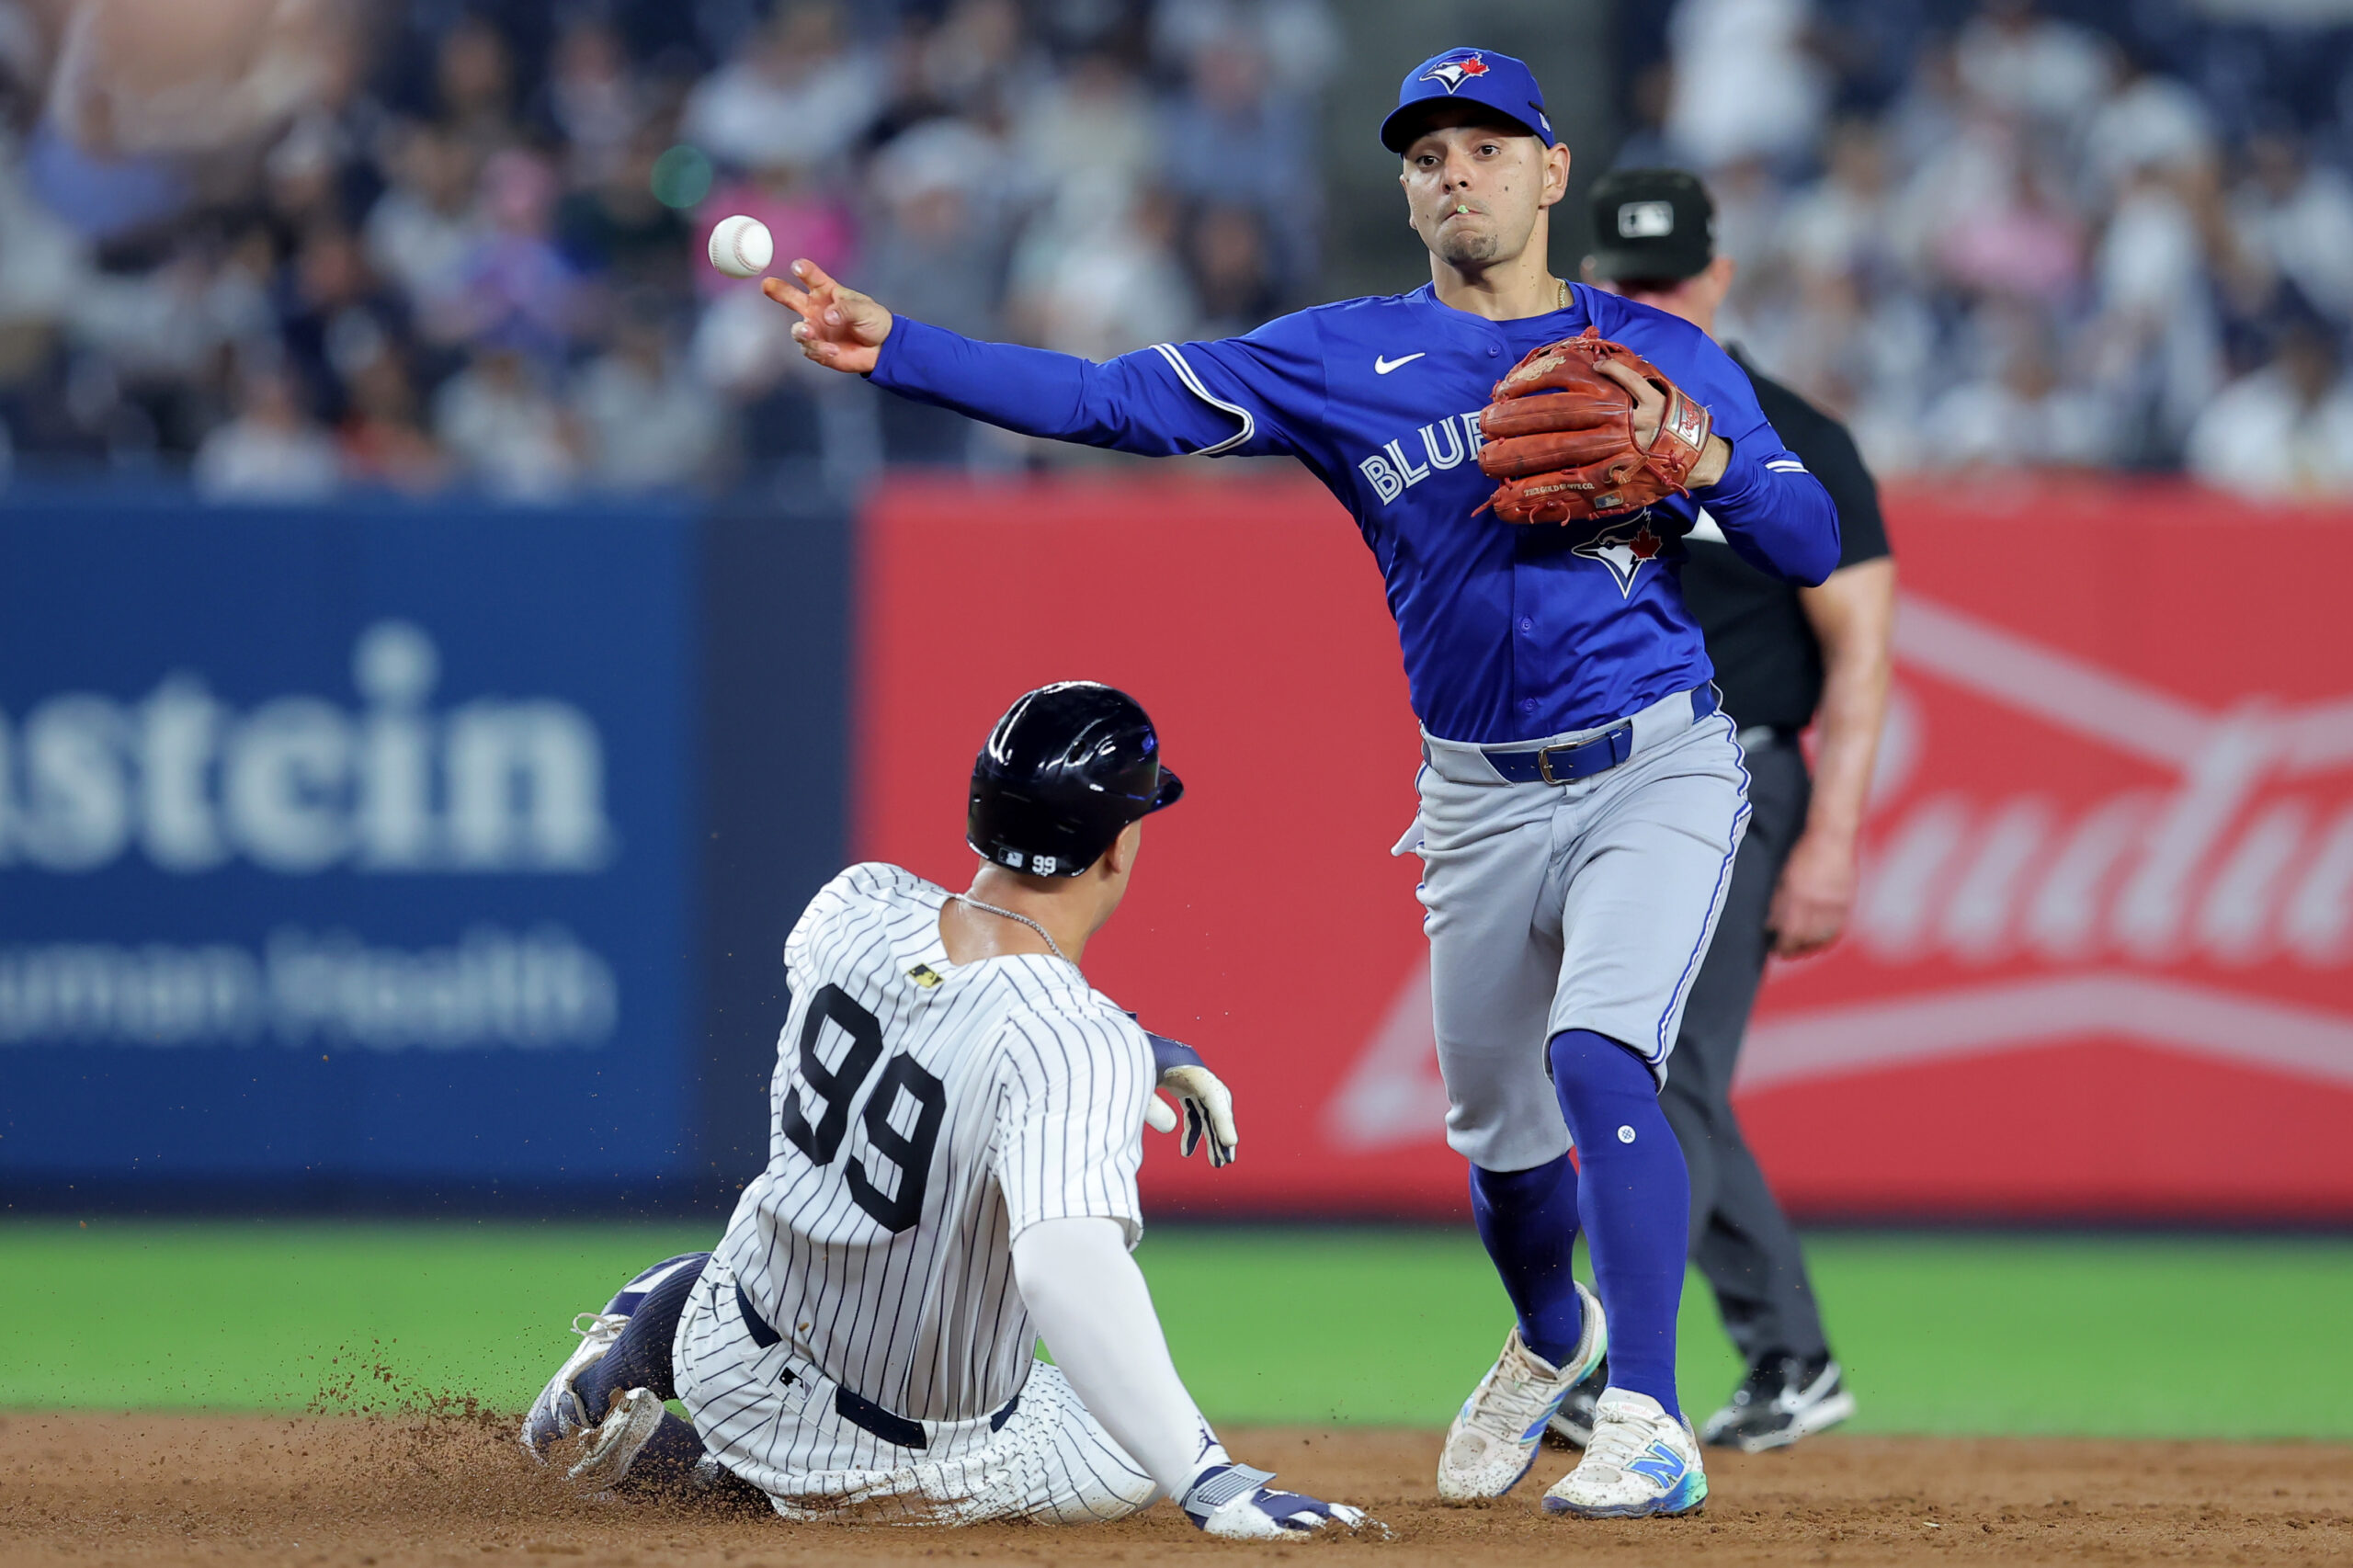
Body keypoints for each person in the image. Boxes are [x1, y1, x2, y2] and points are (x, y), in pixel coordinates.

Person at [768, 48, 1839, 1518]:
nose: (1454, 170)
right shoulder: (1345, 357)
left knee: (1602, 1054)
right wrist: (902, 348)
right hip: (1474, 794)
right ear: (1407, 192)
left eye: (1484, 144)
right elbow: (1113, 400)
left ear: (1551, 169)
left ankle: (1648, 1413)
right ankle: (1551, 1334)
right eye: (1426, 155)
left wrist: (1699, 452)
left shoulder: (1651, 350)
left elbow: (1809, 537)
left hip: (1657, 757)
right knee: (1504, 1147)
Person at [518, 682, 1371, 1539]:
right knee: (1134, 1455)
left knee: (770, 1253)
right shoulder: (1074, 1042)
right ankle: (716, 1480)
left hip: (728, 1340)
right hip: (890, 1456)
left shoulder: (853, 904)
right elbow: (1064, 1269)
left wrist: (1126, 1049)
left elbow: (938, 1005)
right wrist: (1210, 1481)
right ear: (1117, 849)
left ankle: (637, 1344)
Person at [1571, 167, 1893, 1452]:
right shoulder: (1560, 426)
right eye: (1625, 282)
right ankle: (1791, 1355)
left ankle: (1614, 1363)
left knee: (1658, 1069)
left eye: (1667, 279)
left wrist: (1834, 836)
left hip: (1745, 775)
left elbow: (1861, 651)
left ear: (1716, 279)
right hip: (1600, 782)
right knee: (1633, 1069)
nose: (1649, 300)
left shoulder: (1794, 434)